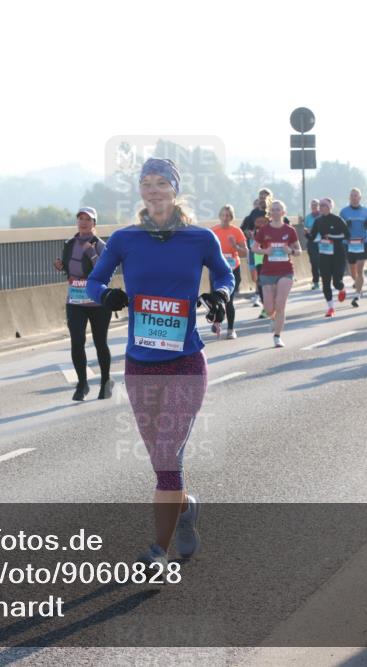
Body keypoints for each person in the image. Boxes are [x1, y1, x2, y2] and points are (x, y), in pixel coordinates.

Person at [86, 157, 234, 568]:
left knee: (168, 460)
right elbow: (95, 280)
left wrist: (220, 296)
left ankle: (158, 552)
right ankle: (185, 509)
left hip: (185, 362)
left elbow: (225, 275)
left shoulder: (200, 238)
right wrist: (107, 296)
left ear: (174, 189)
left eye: (161, 183)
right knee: (162, 463)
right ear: (140, 190)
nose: (153, 190)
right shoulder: (124, 239)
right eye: (146, 183)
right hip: (140, 365)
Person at [53, 207, 113, 401]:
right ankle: (82, 384)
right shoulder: (69, 243)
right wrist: (61, 267)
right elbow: (69, 269)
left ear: (94, 224)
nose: (84, 222)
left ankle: (105, 382)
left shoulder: (101, 245)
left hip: (97, 302)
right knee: (77, 342)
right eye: (81, 219)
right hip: (76, 301)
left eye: (88, 219)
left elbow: (105, 271)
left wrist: (92, 253)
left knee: (100, 342)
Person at [253, 200, 302, 346]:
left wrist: (291, 251)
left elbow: (299, 251)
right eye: (273, 210)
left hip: (286, 271)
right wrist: (265, 251)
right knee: (269, 308)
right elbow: (254, 248)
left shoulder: (289, 230)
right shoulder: (264, 230)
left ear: (283, 212)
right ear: (270, 213)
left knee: (280, 304)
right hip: (268, 272)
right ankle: (273, 318)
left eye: (278, 209)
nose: (275, 212)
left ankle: (277, 336)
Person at [210, 204, 248, 339]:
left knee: (229, 300)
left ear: (232, 217)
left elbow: (245, 253)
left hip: (232, 270)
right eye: (223, 215)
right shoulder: (213, 231)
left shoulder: (237, 231)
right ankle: (216, 322)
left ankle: (231, 329)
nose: (225, 218)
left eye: (228, 216)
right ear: (220, 216)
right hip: (216, 269)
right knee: (214, 299)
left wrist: (235, 246)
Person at [312, 198, 349, 317]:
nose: (321, 207)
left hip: (338, 254)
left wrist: (332, 236)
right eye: (320, 205)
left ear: (329, 207)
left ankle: (342, 288)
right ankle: (331, 307)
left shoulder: (337, 220)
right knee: (325, 282)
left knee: (336, 282)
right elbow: (312, 236)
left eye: (324, 205)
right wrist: (307, 234)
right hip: (324, 255)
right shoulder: (318, 221)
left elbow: (347, 235)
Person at [339, 188, 367, 308]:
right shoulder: (343, 211)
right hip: (348, 243)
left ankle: (357, 295)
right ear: (349, 198)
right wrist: (344, 226)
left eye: (356, 196)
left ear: (360, 198)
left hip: (362, 242)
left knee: (360, 270)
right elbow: (338, 227)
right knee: (351, 271)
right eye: (352, 196)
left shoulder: (366, 211)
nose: (354, 198)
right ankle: (358, 284)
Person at [303, 199, 321, 290]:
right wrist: (308, 232)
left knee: (323, 262)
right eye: (312, 205)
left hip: (322, 243)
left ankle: (327, 279)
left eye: (316, 205)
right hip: (312, 242)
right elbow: (305, 230)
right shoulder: (308, 217)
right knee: (314, 263)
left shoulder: (322, 216)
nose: (314, 207)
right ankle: (316, 282)